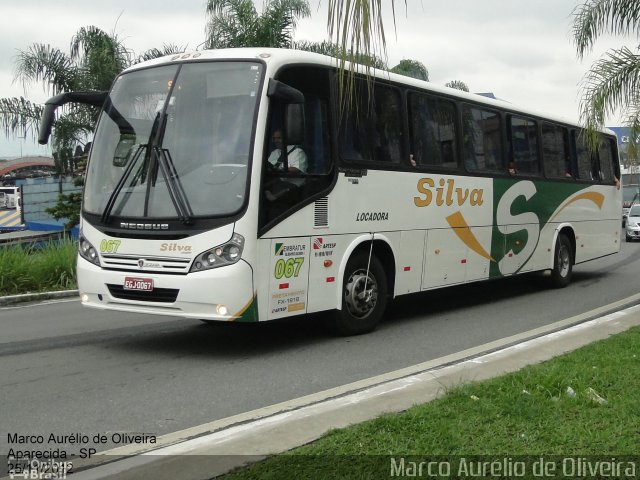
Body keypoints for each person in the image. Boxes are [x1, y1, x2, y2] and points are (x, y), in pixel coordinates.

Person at [265, 129, 307, 201]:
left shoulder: (298, 152)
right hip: (276, 182)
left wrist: (279, 169)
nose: (276, 141)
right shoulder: (274, 153)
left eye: (279, 138)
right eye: (274, 138)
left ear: (287, 139)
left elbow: (297, 169)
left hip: (293, 186)